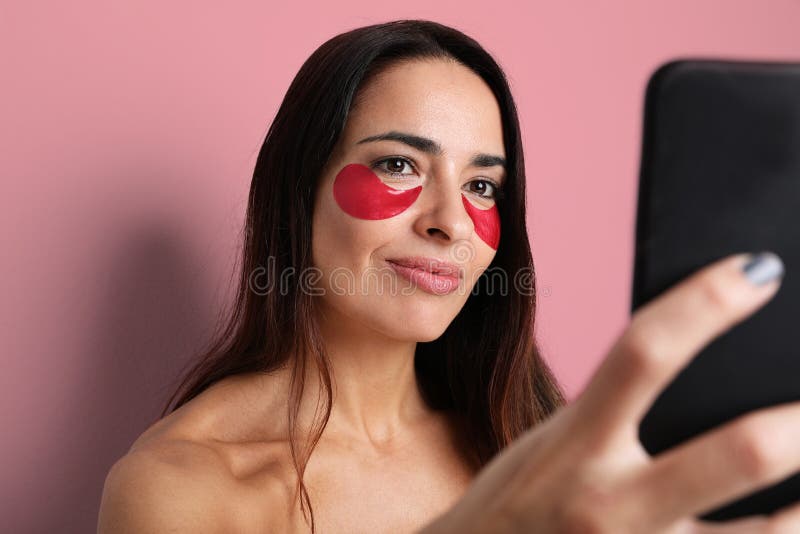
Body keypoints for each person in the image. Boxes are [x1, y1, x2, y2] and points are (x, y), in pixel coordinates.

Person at [97, 19, 798, 533]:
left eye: (484, 186)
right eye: (400, 164)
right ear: (297, 189)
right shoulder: (180, 489)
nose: (452, 223)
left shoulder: (536, 440)